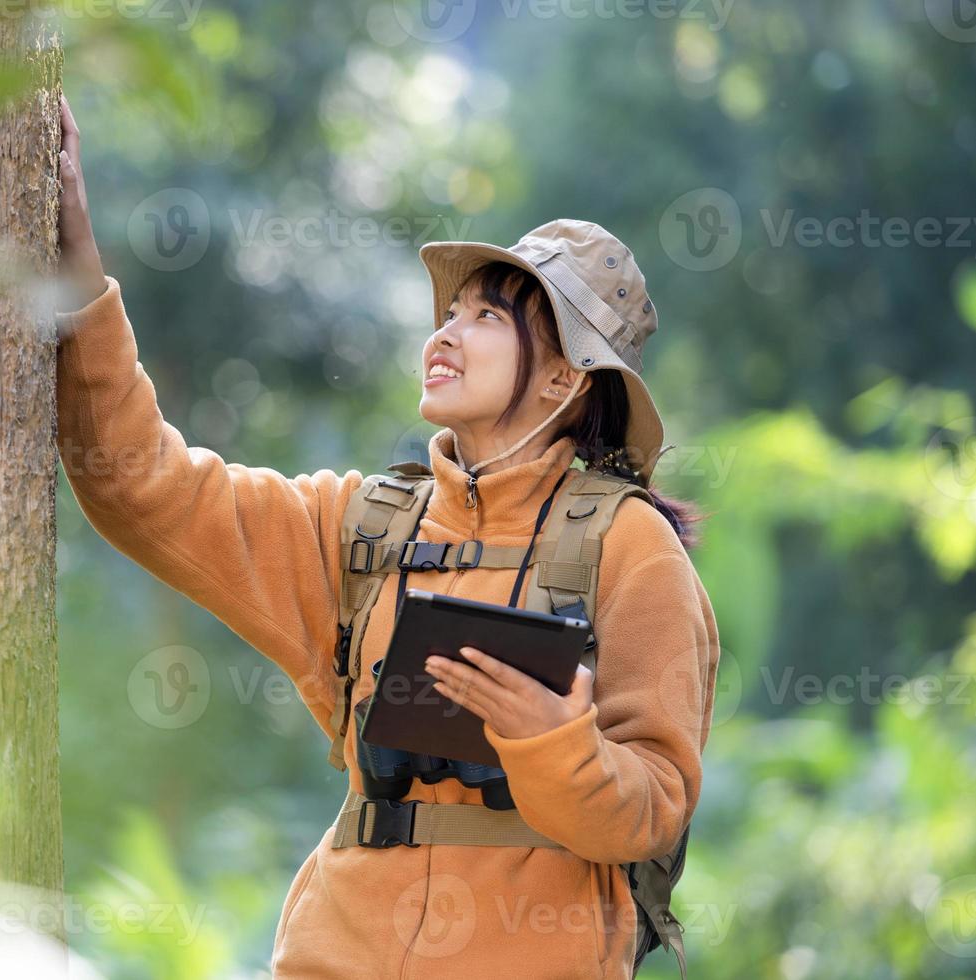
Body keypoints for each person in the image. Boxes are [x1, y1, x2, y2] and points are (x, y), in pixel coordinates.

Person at [53, 94, 720, 979]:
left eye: (489, 318)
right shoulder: (365, 523)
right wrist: (78, 279)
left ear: (565, 377)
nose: (445, 331)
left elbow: (653, 809)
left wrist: (554, 740)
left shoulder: (633, 550)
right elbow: (145, 489)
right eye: (451, 312)